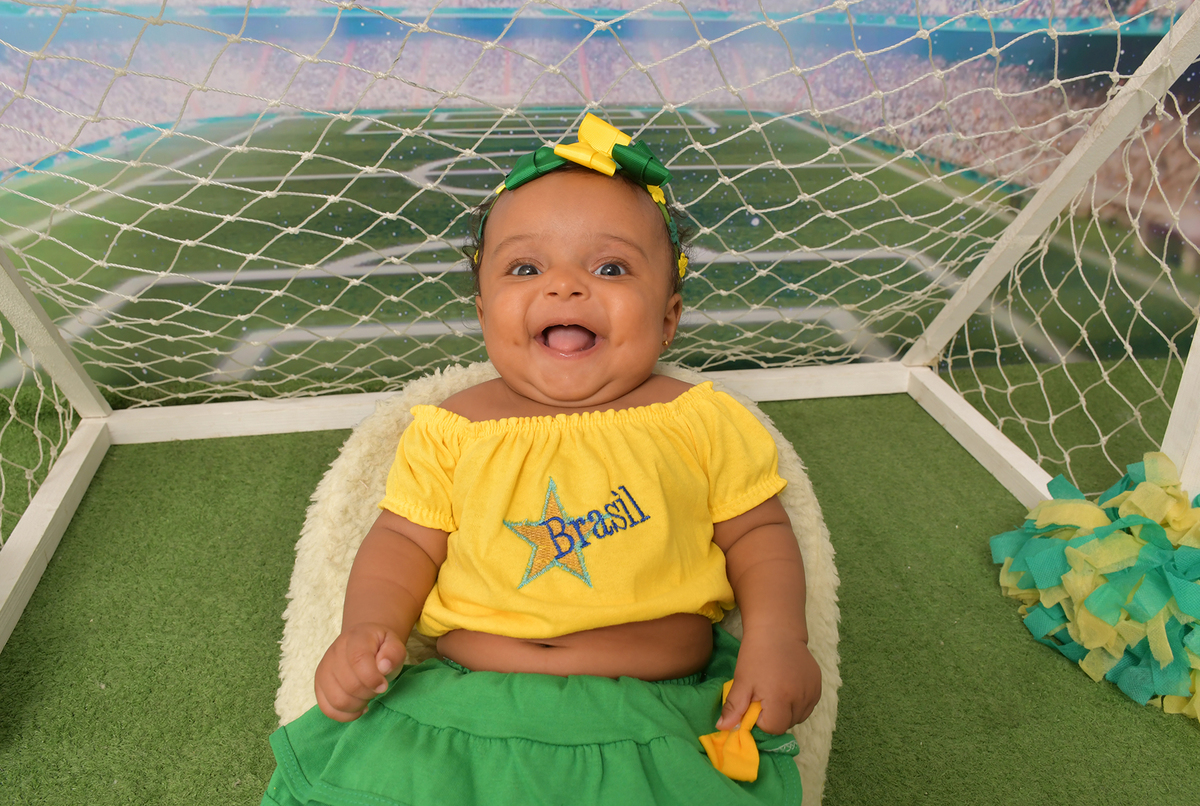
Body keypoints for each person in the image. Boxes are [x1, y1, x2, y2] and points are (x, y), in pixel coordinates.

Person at [262, 115, 821, 806]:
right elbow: (403, 539)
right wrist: (367, 630)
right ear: (483, 312)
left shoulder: (700, 418)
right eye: (525, 268)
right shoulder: (451, 430)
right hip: (463, 710)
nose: (565, 287)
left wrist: (778, 636)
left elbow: (759, 532)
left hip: (655, 713)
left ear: (668, 317)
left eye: (610, 267)